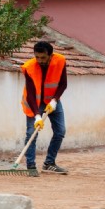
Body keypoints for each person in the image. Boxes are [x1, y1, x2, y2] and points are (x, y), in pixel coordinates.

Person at [21, 41, 68, 175]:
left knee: (60, 131)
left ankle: (49, 163)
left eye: (43, 57)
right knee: (32, 133)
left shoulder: (60, 61)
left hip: (53, 101)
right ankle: (31, 166)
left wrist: (54, 100)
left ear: (50, 55)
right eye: (37, 57)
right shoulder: (29, 67)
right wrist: (37, 116)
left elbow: (63, 84)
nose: (39, 60)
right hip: (34, 102)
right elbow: (30, 93)